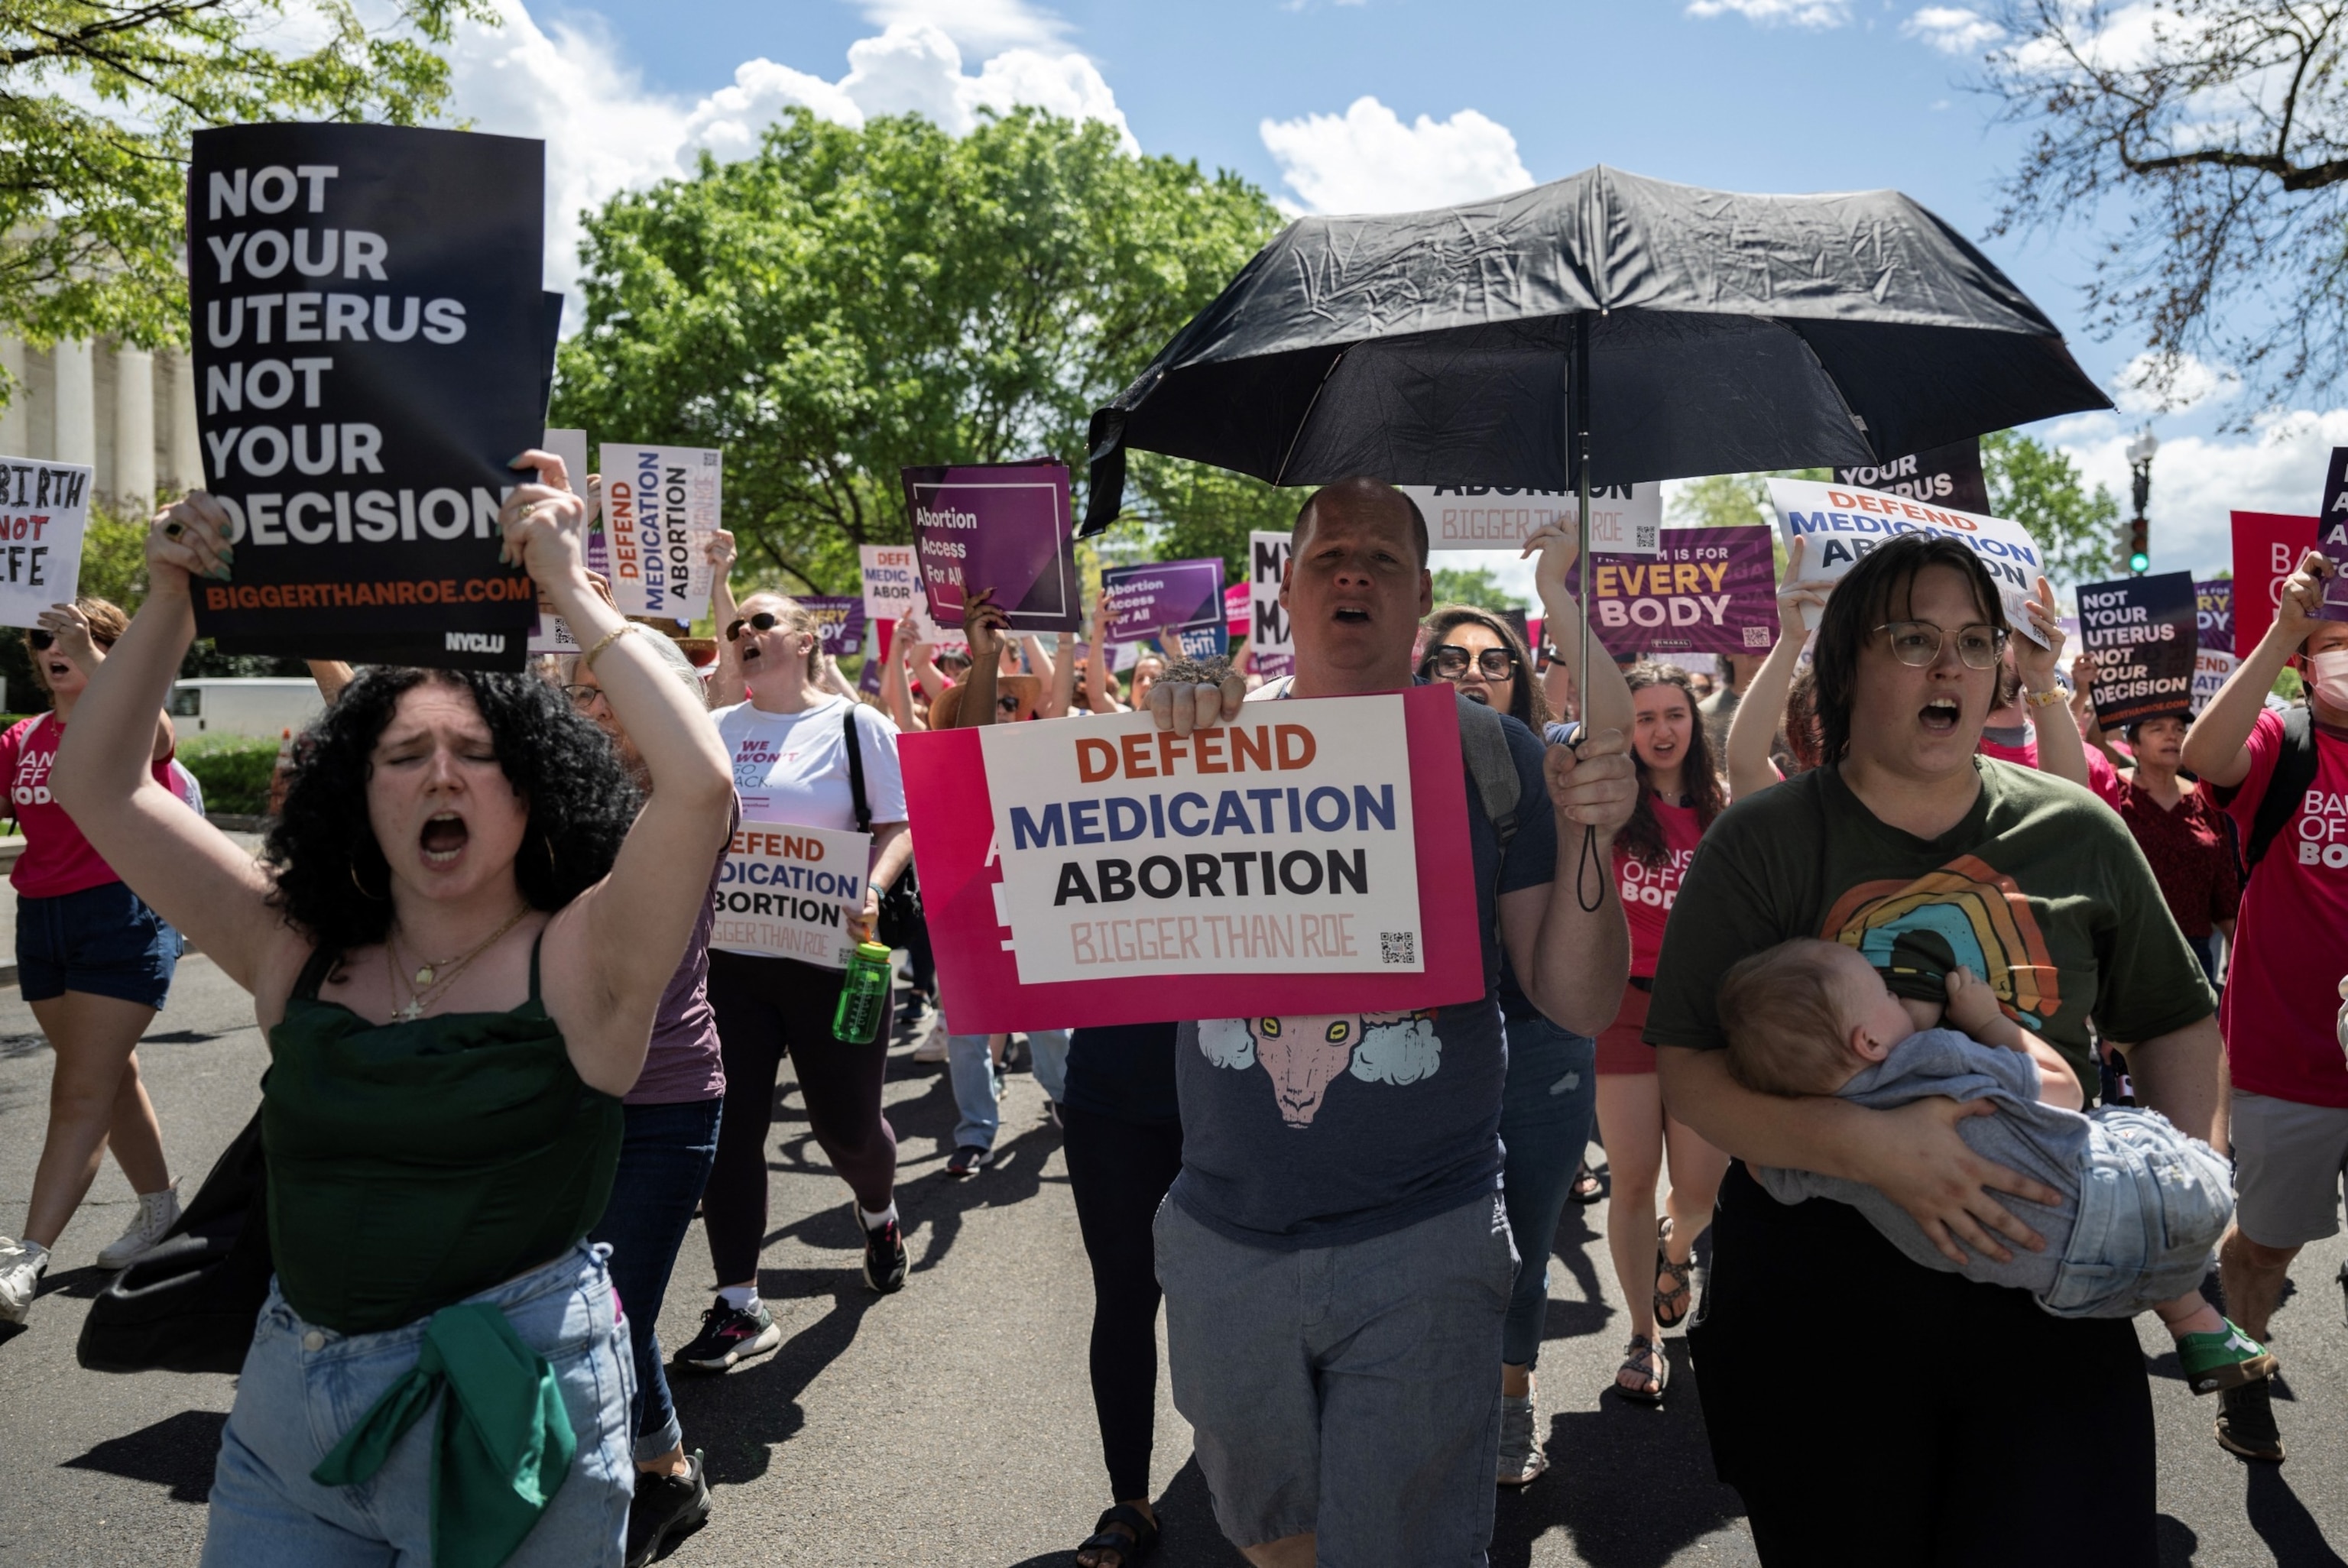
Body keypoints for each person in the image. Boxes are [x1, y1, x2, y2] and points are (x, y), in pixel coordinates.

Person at [48, 460, 731, 1565]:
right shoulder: (295, 950)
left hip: (519, 1426)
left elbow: (700, 786)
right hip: (287, 1427)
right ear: (357, 797)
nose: (442, 779)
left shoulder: (587, 961)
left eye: (478, 755)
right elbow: (102, 786)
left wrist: (563, 577)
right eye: (404, 756)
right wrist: (174, 594)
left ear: (536, 787)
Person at [1649, 533, 2221, 1566]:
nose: (1949, 665)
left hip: (2051, 1295)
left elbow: (2172, 1017)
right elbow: (1691, 1072)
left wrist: (2180, 1190)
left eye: (1973, 639)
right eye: (1912, 638)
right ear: (1846, 668)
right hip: (1822, 1314)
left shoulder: (2081, 830)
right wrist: (1873, 1151)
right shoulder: (1764, 840)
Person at [1142, 477, 1636, 1568]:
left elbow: (1580, 1001)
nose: (1353, 572)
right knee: (1279, 1541)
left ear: (1421, 600)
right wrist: (1163, 725)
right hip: (1227, 1241)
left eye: (1382, 559)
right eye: (1328, 557)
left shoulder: (1489, 757)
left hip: (1424, 1238)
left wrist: (1592, 836)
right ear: (1285, 590)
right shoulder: (1205, 740)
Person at [1720, 938, 2269, 1393]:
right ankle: (2199, 1325)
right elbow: (2064, 1089)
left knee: (2114, 1240)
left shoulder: (1825, 1154)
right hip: (2147, 1193)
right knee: (2106, 1132)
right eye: (1886, 992)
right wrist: (1986, 1020)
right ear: (1868, 1040)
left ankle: (2195, 1325)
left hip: (2069, 1282)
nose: (1897, 996)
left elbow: (1759, 1164)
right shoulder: (1935, 1054)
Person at [679, 591, 916, 1375]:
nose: (746, 633)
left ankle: (878, 1213)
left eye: (763, 623)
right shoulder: (717, 731)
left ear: (807, 640)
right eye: (737, 625)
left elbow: (899, 822)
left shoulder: (856, 726)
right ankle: (738, 1304)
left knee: (848, 1128)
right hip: (734, 962)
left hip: (836, 961)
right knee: (733, 1129)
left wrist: (874, 887)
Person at [1431, 531, 1626, 1484]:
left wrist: (1558, 587)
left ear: (1521, 682)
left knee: (1522, 1237)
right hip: (1432, 1052)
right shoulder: (1373, 765)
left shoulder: (1547, 757)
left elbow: (1620, 723)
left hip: (1544, 1043)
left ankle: (1510, 1401)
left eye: (1494, 660)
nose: (1473, 675)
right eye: (1450, 660)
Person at [563, 627, 732, 1566]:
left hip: (665, 1102)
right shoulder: (555, 793)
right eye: (581, 695)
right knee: (580, 1308)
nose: (590, 708)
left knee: (611, 1310)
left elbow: (697, 769)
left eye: (609, 694)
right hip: (566, 1095)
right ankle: (662, 1467)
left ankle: (651, 1483)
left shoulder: (692, 800)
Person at [2179, 546, 2348, 1463]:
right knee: (2266, 1253)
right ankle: (2245, 1381)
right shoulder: (2282, 741)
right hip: (2289, 1055)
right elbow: (2206, 754)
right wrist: (2285, 621)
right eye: (2333, 643)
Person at [0, 598, 184, 1325]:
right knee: (110, 1077)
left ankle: (25, 1258)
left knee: (79, 1088)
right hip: (42, 921)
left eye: (70, 635)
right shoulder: (24, 738)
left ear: (103, 643)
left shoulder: (127, 716)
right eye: (40, 637)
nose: (53, 647)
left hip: (121, 912)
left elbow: (161, 738)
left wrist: (103, 658)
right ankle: (162, 1210)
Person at [1585, 658, 1732, 1404]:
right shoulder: (1611, 804)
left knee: (1701, 1190)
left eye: (1673, 714)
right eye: (1644, 717)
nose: (1661, 729)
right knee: (1635, 1180)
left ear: (1693, 720)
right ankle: (1643, 1334)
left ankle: (1678, 1254)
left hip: (1702, 1018)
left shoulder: (1723, 808)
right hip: (1624, 1012)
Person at [935, 588, 1069, 1174]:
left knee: (1052, 1028)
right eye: (994, 703)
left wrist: (1065, 644)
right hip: (971, 915)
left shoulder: (1047, 756)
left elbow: (1059, 704)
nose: (1005, 711)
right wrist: (983, 660)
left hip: (1037, 911)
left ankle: (1068, 1101)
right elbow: (971, 746)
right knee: (967, 1033)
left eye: (1013, 704)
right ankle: (976, 1131)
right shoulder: (950, 765)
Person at [2068, 676, 2239, 990]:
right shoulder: (2112, 790)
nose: (2172, 736)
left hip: (2195, 952)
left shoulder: (2205, 800)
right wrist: (2083, 690)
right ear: (2133, 744)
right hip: (2125, 948)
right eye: (2157, 729)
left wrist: (2242, 958)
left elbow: (2225, 891)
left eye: (2178, 729)